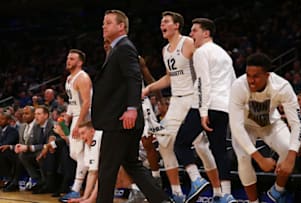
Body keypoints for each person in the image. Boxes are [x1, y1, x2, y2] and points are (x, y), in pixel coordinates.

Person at [92, 10, 171, 203]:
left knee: (107, 168)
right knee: (132, 164)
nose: (104, 26)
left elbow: (134, 79)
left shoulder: (124, 47)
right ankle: (162, 200)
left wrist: (131, 109)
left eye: (108, 23)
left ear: (121, 27)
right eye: (103, 23)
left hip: (121, 119)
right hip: (123, 119)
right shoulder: (117, 49)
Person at [142, 11, 218, 202]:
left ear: (177, 25)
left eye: (166, 22)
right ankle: (177, 193)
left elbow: (205, 66)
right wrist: (150, 87)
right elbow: (170, 77)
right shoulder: (166, 50)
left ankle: (219, 191)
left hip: (194, 98)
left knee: (200, 145)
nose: (162, 25)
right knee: (165, 143)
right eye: (161, 22)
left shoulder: (188, 43)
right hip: (177, 99)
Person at [174, 18, 236, 203]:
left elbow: (202, 83)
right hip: (224, 107)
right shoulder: (224, 54)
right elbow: (233, 81)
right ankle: (225, 194)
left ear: (206, 33)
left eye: (194, 31)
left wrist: (202, 113)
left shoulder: (201, 52)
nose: (191, 35)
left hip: (207, 106)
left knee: (180, 143)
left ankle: (196, 179)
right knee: (219, 151)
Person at [229, 53, 301, 203]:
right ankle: (253, 201)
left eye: (256, 76)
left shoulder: (282, 86)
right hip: (246, 126)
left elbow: (297, 123)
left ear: (267, 75)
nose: (251, 80)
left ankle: (277, 191)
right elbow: (236, 126)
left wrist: (291, 156)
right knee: (243, 158)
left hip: (270, 123)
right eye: (248, 75)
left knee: (288, 148)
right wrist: (260, 159)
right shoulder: (238, 85)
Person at [59, 49, 93, 202]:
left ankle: (76, 190)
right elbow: (73, 102)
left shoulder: (83, 78)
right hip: (76, 116)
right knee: (74, 153)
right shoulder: (69, 79)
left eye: (72, 59)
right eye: (68, 58)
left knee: (81, 155)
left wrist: (79, 124)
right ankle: (80, 187)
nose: (68, 61)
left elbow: (87, 102)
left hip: (85, 118)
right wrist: (67, 116)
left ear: (80, 62)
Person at [66, 120, 102, 203]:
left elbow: (100, 173)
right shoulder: (88, 141)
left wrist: (91, 199)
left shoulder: (98, 137)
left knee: (105, 171)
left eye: (83, 133)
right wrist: (85, 197)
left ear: (92, 131)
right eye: (80, 134)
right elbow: (92, 172)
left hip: (127, 165)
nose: (81, 137)